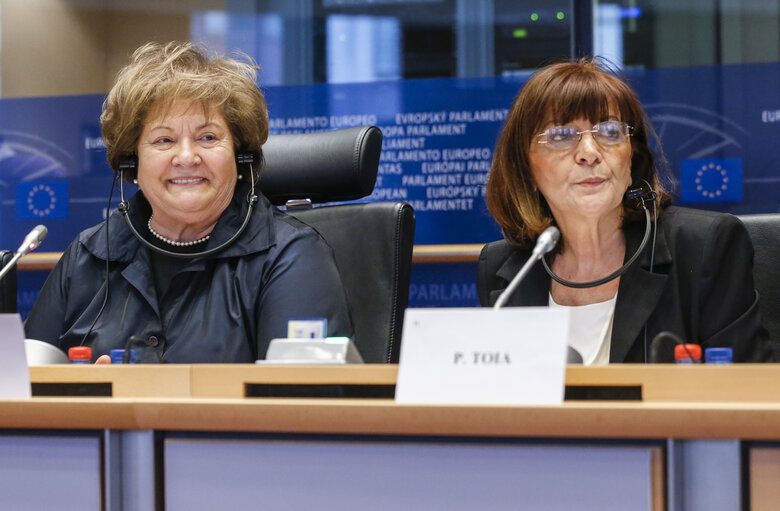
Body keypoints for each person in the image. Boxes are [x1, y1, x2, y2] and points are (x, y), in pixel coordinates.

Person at [25, 41, 353, 363]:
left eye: (207, 137)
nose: (186, 157)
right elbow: (21, 389)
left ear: (240, 156)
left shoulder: (290, 256)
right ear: (131, 161)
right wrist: (90, 394)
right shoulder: (87, 256)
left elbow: (301, 403)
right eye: (164, 140)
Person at [477, 58, 772, 364]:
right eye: (562, 136)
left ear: (632, 158)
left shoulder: (704, 247)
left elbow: (748, 397)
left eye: (609, 131)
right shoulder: (504, 272)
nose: (589, 153)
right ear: (526, 169)